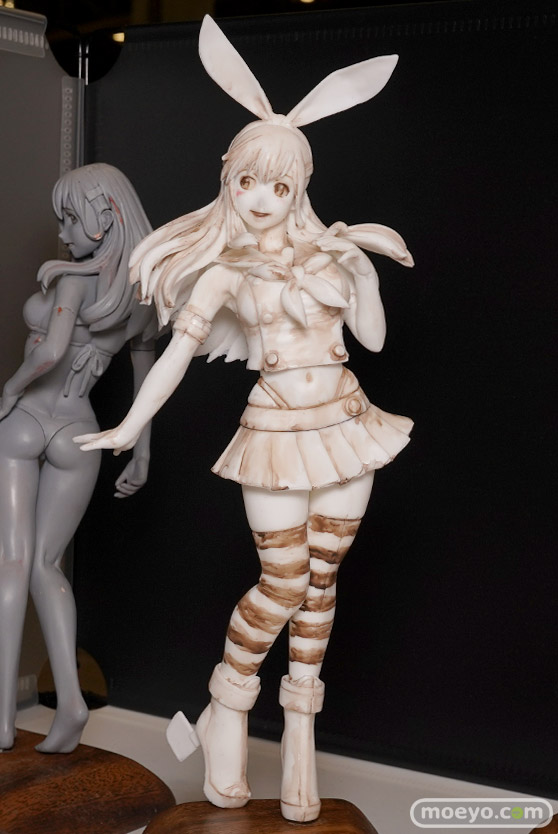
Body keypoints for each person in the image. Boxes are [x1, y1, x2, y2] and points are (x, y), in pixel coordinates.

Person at [76, 17, 414, 822]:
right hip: (274, 436)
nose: (260, 200)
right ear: (229, 179)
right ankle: (228, 703)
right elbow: (175, 356)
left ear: (300, 188)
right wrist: (129, 425)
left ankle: (300, 739)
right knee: (283, 581)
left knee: (323, 582)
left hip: (345, 425)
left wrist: (363, 274)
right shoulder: (225, 273)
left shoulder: (332, 255)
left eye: (278, 187)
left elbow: (371, 339)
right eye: (248, 182)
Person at [0, 163, 157, 754]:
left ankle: (1, 718)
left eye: (70, 218)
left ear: (107, 214)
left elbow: (51, 353)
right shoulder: (144, 294)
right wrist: (140, 450)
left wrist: (10, 389)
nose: (63, 234)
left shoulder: (71, 279)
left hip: (26, 420)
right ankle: (70, 705)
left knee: (12, 562)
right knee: (48, 566)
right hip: (81, 430)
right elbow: (147, 381)